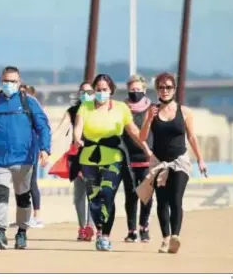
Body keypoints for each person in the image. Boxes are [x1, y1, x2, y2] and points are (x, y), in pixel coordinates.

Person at [0, 66, 51, 250]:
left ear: (19, 82)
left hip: (23, 159)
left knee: (23, 198)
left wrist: (45, 149)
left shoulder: (28, 102)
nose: (9, 84)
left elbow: (43, 127)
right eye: (6, 80)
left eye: (13, 81)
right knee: (0, 194)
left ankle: (22, 232)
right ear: (1, 80)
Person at [73, 73, 151, 251]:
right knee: (94, 198)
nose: (101, 92)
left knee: (107, 194)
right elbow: (78, 127)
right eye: (98, 89)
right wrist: (78, 140)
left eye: (104, 89)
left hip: (113, 157)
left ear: (111, 90)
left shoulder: (121, 108)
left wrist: (147, 149)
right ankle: (98, 230)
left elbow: (133, 131)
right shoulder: (85, 107)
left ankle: (105, 236)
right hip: (89, 157)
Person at [140, 72, 207, 254]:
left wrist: (200, 159)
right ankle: (165, 238)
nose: (165, 90)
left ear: (174, 89)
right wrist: (148, 120)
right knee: (162, 201)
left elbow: (192, 137)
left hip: (179, 161)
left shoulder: (184, 112)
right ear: (157, 90)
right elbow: (142, 137)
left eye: (168, 87)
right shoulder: (152, 110)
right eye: (161, 87)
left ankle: (175, 236)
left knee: (175, 198)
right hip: (159, 163)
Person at [54, 81, 96, 241]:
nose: (86, 95)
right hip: (76, 155)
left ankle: (90, 226)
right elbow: (60, 131)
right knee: (79, 194)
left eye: (89, 92)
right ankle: (82, 227)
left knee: (93, 192)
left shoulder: (98, 110)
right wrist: (46, 145)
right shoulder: (72, 111)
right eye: (83, 91)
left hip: (95, 155)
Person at [122, 75, 154, 243]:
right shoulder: (122, 109)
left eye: (138, 89)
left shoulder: (152, 109)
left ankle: (144, 227)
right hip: (128, 158)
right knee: (131, 195)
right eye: (132, 89)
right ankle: (132, 230)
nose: (135, 92)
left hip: (148, 158)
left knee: (146, 195)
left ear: (145, 90)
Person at [19, 84, 43, 228]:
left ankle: (37, 215)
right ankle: (23, 215)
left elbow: (41, 129)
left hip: (31, 150)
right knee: (21, 184)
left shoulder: (34, 108)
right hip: (19, 150)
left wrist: (42, 149)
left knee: (32, 182)